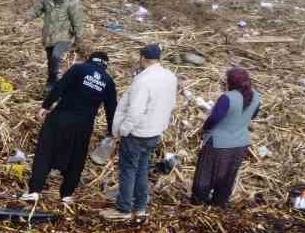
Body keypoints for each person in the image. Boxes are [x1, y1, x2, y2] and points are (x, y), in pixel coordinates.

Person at [23, 48, 117, 206]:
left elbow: (59, 87)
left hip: (60, 118)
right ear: (105, 65)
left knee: (45, 152)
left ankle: (34, 191)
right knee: (76, 159)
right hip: (83, 126)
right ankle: (66, 194)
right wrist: (112, 132)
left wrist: (45, 106)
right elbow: (111, 109)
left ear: (90, 60)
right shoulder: (108, 82)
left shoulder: (78, 69)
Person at [103, 44, 177, 221]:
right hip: (154, 132)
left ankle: (123, 209)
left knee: (128, 170)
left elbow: (135, 111)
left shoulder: (143, 80)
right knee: (142, 169)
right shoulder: (170, 77)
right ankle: (140, 207)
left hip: (137, 133)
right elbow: (170, 103)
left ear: (143, 58)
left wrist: (122, 131)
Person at [190, 67, 261, 207]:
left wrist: (203, 130)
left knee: (206, 174)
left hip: (218, 143)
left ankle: (198, 202)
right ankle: (219, 202)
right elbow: (253, 116)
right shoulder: (257, 97)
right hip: (240, 143)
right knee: (228, 175)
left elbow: (214, 119)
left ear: (231, 82)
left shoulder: (227, 98)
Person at [25, 0, 87, 94]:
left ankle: (54, 82)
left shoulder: (71, 2)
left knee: (56, 56)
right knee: (51, 62)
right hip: (49, 37)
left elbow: (77, 20)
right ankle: (52, 83)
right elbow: (36, 10)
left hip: (64, 37)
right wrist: (25, 18)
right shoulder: (47, 0)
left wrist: (79, 37)